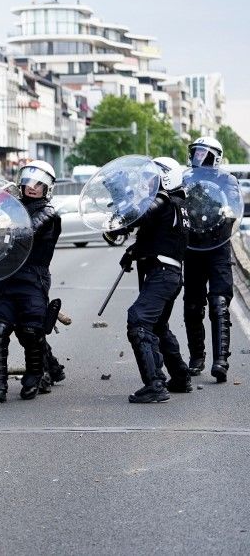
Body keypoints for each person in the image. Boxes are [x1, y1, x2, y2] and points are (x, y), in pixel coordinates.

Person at [112, 157, 192, 403]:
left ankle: (155, 384)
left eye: (151, 178)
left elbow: (138, 217)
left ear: (165, 178)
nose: (146, 183)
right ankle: (180, 377)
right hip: (170, 274)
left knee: (138, 320)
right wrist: (133, 252)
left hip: (162, 273)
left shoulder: (163, 200)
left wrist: (118, 193)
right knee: (158, 326)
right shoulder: (177, 203)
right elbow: (158, 236)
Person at [0, 161, 62, 403]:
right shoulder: (9, 210)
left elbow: (26, 231)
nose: (32, 187)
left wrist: (3, 221)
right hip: (7, 279)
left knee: (31, 331)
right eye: (28, 182)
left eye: (39, 184)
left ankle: (35, 376)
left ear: (47, 188)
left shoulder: (49, 213)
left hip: (33, 278)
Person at [181, 136, 238, 382]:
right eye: (197, 152)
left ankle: (221, 360)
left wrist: (224, 218)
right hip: (192, 248)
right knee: (193, 305)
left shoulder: (227, 180)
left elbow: (234, 208)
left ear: (217, 157)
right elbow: (177, 207)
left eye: (205, 154)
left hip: (218, 247)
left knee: (219, 302)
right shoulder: (184, 179)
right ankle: (197, 357)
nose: (200, 157)